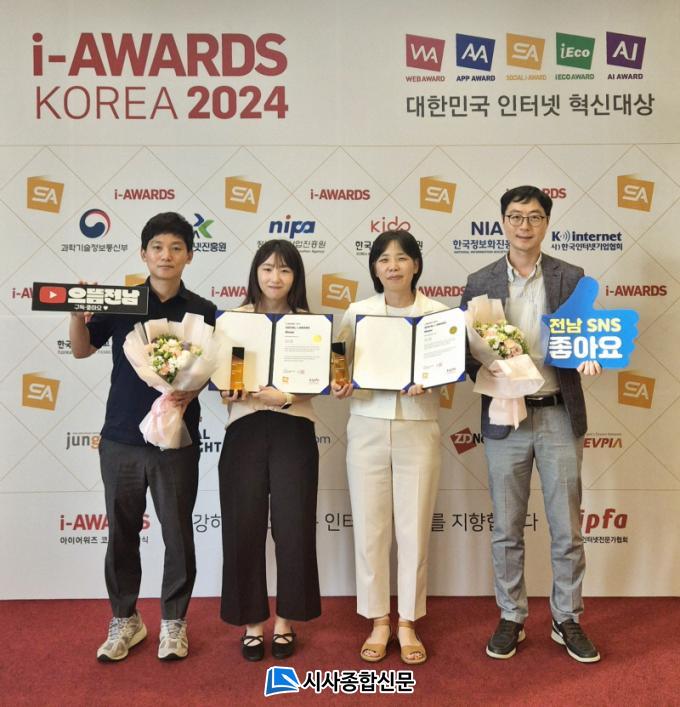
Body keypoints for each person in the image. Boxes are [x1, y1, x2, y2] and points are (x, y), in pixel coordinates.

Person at [460, 185, 602, 663]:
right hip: (505, 416)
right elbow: (463, 353)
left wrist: (589, 355)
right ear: (502, 222)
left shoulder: (571, 276)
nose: (525, 225)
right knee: (506, 527)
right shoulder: (479, 281)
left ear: (546, 223)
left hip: (559, 410)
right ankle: (511, 615)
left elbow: (585, 333)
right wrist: (488, 370)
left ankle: (567, 618)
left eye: (535, 217)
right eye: (516, 216)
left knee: (567, 527)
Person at [70, 212, 216, 662]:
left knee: (178, 533)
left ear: (189, 255)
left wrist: (189, 391)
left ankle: (174, 621)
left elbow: (213, 372)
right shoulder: (122, 302)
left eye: (176, 248)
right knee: (121, 533)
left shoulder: (203, 310)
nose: (165, 256)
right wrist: (76, 313)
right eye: (157, 247)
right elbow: (81, 349)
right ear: (143, 253)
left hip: (176, 441)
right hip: (120, 438)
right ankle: (125, 619)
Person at [332, 230, 446, 665]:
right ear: (375, 269)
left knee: (414, 529)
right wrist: (339, 383)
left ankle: (408, 622)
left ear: (416, 264)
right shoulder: (358, 312)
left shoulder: (438, 315)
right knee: (370, 526)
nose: (393, 266)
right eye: (383, 259)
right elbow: (339, 365)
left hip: (419, 425)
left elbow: (450, 369)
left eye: (401, 258)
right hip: (367, 424)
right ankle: (379, 620)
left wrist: (434, 379)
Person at [219, 239, 321, 661]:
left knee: (294, 526)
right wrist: (228, 389)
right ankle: (251, 624)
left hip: (293, 428)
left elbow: (318, 382)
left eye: (284, 269)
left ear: (295, 277)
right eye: (267, 268)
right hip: (244, 428)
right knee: (242, 526)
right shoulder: (232, 321)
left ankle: (286, 622)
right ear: (255, 273)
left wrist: (287, 397)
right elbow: (222, 379)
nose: (274, 278)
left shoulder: (310, 324)